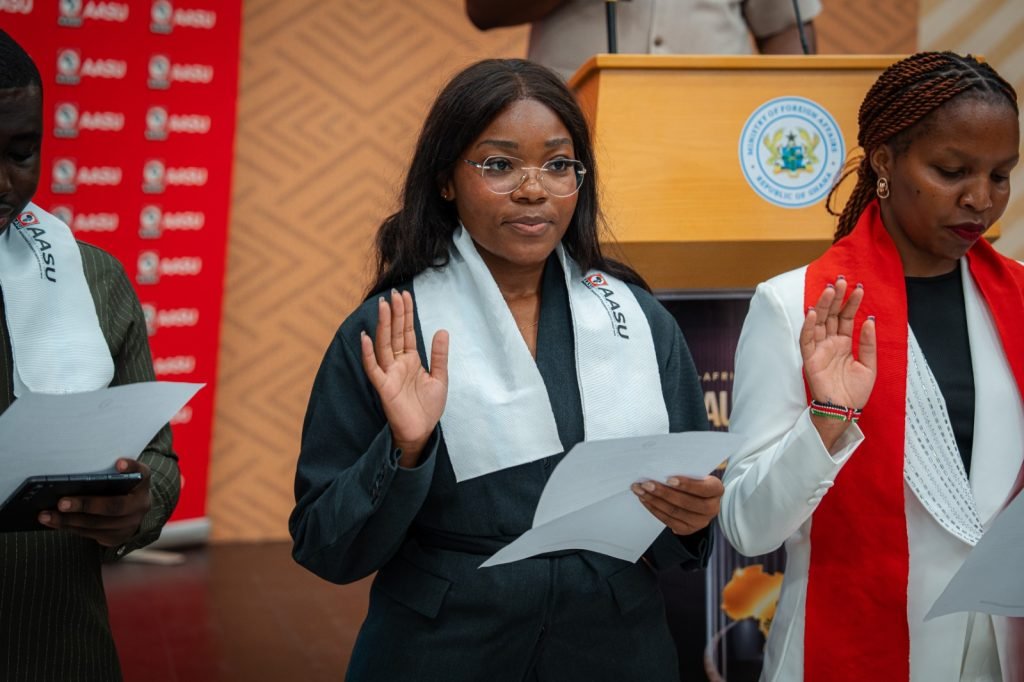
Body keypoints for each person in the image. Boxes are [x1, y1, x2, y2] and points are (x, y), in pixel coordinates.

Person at [289, 58, 722, 681]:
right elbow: (325, 547)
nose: (533, 189)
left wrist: (693, 515)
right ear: (445, 179)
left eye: (558, 165)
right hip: (443, 643)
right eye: (499, 165)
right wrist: (404, 452)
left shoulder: (636, 318)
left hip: (612, 642)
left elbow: (683, 505)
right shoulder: (391, 330)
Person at [719, 51, 1022, 681]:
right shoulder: (793, 304)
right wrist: (828, 419)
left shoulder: (1021, 299)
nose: (980, 199)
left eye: (1001, 175)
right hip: (848, 650)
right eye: (951, 171)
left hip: (1000, 654)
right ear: (884, 160)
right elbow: (747, 526)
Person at [0, 29, 180, 681]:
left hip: (57, 647)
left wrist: (137, 503)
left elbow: (157, 459)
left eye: (22, 152)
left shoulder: (94, 278)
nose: (3, 183)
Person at [466, 0, 819, 80]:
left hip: (719, 128)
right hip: (576, 131)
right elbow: (485, 11)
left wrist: (790, 115)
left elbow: (786, 26)